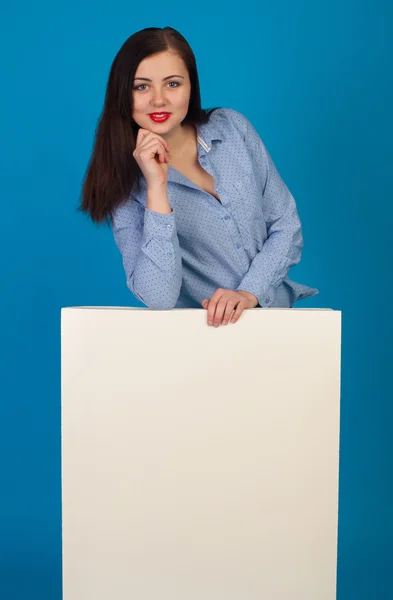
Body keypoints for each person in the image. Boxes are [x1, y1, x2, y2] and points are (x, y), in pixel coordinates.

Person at [79, 26, 319, 327]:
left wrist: (248, 292)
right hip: (206, 344)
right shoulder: (125, 190)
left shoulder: (232, 129)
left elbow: (286, 224)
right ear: (122, 95)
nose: (158, 100)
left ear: (191, 86)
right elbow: (159, 296)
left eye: (172, 84)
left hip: (282, 325)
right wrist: (157, 186)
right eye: (141, 87)